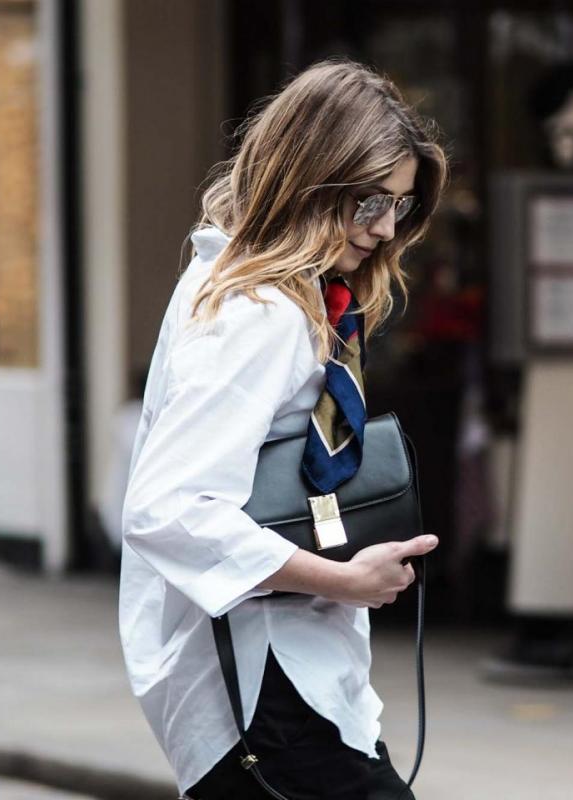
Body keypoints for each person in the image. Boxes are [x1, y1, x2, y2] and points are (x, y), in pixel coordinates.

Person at [118, 59, 448, 800]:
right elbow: (166, 509)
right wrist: (344, 580)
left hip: (282, 683)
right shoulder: (259, 313)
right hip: (265, 690)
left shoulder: (251, 287)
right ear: (313, 177)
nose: (387, 228)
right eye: (371, 200)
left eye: (399, 205)